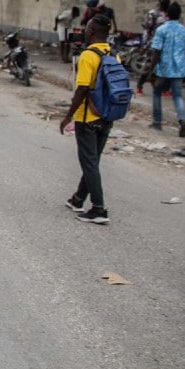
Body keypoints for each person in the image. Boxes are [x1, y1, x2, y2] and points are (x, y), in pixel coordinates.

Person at [61, 16, 116, 224]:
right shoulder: (113, 54)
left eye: (86, 29)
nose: (84, 32)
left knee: (89, 162)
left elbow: (82, 88)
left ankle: (99, 209)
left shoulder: (88, 56)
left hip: (87, 118)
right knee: (92, 161)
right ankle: (78, 199)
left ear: (91, 32)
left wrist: (68, 116)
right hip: (107, 116)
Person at [149, 2, 185, 138]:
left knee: (157, 93)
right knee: (177, 95)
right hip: (179, 67)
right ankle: (182, 119)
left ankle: (157, 121)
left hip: (163, 67)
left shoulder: (161, 29)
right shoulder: (184, 30)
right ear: (179, 15)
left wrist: (151, 70)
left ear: (166, 14)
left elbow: (157, 51)